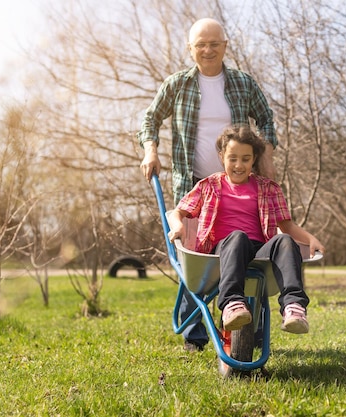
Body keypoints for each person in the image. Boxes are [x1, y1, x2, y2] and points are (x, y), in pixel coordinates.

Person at [137, 18, 278, 351]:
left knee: (253, 253)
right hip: (196, 185)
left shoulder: (243, 83)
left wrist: (267, 155)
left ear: (225, 45)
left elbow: (267, 119)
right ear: (191, 49)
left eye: (214, 43)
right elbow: (150, 118)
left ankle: (252, 332)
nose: (208, 50)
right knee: (195, 255)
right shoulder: (177, 85)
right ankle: (195, 336)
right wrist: (150, 149)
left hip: (242, 187)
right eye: (200, 44)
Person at [167, 125, 325, 335]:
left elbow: (286, 225)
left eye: (245, 158)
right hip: (223, 250)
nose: (238, 165)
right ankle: (232, 303)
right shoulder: (209, 185)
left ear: (253, 159)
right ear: (222, 156)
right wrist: (178, 225)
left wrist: (310, 239)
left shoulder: (269, 189)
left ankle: (293, 306)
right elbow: (177, 212)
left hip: (259, 251)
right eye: (232, 158)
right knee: (237, 237)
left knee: (284, 241)